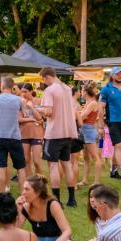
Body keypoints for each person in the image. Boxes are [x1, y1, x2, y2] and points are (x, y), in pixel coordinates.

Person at [38, 66, 78, 207]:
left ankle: (56, 200)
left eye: (43, 80)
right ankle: (72, 199)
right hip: (67, 132)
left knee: (53, 166)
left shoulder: (50, 90)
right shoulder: (67, 88)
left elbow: (48, 112)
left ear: (47, 77)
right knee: (67, 164)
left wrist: (37, 109)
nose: (43, 83)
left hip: (54, 133)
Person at [16, 175, 75, 241]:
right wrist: (18, 210)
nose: (23, 193)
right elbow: (16, 229)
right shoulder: (27, 206)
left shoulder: (52, 204)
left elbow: (67, 230)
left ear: (38, 192)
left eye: (27, 189)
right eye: (23, 189)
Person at [0, 78, 25, 194]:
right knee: (20, 168)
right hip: (14, 136)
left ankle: (2, 193)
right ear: (12, 87)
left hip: (0, 136)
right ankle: (23, 194)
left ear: (2, 86)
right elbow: (25, 115)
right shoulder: (18, 100)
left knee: (1, 166)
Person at [98, 67, 121, 182]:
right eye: (118, 74)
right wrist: (100, 125)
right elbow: (100, 108)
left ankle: (113, 171)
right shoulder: (106, 89)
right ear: (112, 76)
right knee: (118, 146)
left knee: (118, 147)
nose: (120, 75)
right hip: (112, 121)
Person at [19, 83, 44, 177]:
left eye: (25, 92)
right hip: (24, 134)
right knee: (26, 160)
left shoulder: (38, 101)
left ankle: (41, 181)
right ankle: (30, 182)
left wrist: (31, 107)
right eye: (22, 92)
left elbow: (40, 118)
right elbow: (19, 119)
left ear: (31, 91)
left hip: (37, 133)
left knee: (37, 161)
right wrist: (32, 119)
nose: (23, 94)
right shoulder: (20, 103)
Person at [80, 84, 102, 186]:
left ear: (85, 92)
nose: (80, 92)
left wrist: (76, 114)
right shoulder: (88, 103)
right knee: (85, 157)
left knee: (95, 157)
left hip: (88, 129)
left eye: (82, 90)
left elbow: (83, 116)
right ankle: (85, 179)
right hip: (85, 129)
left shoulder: (92, 103)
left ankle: (97, 181)